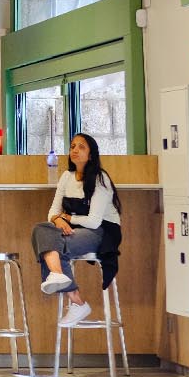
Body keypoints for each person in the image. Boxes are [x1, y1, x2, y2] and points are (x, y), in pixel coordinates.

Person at [31, 132, 123, 327]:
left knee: (54, 244)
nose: (75, 150)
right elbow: (52, 212)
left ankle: (69, 292)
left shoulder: (100, 178)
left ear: (91, 154)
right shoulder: (66, 176)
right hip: (75, 230)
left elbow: (94, 221)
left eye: (81, 147)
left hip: (102, 233)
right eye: (73, 146)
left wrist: (67, 218)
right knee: (40, 229)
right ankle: (69, 290)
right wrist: (57, 220)